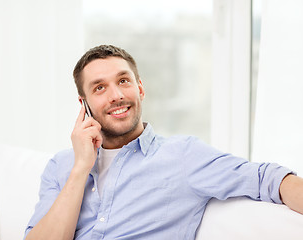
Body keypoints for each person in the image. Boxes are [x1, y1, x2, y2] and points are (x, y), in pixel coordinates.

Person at [24, 45, 303, 240]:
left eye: (124, 81)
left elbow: (266, 178)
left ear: (140, 88)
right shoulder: (61, 166)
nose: (116, 95)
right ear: (83, 105)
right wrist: (81, 168)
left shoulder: (183, 155)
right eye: (100, 88)